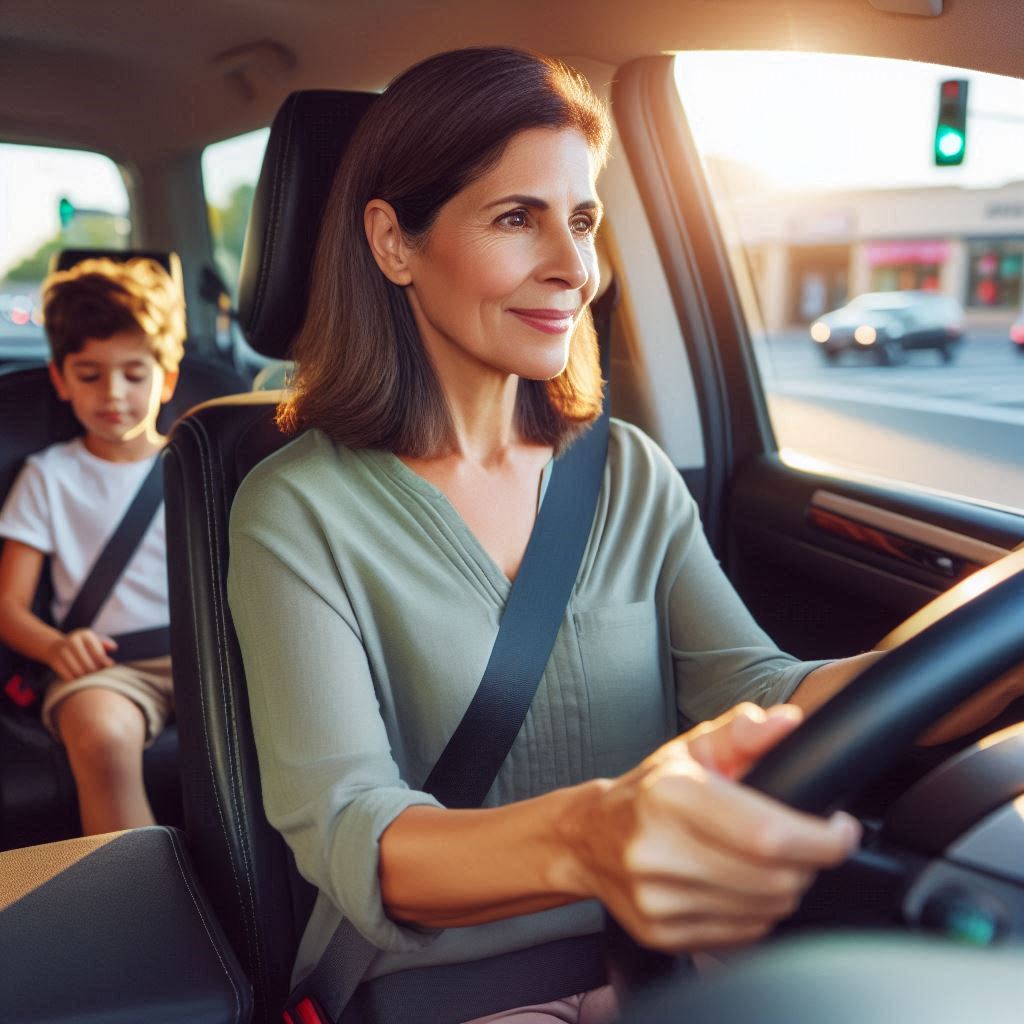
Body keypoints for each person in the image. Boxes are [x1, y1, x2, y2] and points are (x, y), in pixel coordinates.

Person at [226, 48, 1023, 1024]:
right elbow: (353, 825)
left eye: (583, 220)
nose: (576, 270)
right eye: (516, 218)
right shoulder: (294, 508)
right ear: (394, 243)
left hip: (673, 958)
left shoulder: (627, 471)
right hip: (453, 991)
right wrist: (590, 837)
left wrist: (983, 651)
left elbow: (760, 689)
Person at [0, 256, 184, 836]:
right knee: (101, 736)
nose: (113, 393)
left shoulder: (199, 464)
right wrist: (58, 648)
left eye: (134, 374)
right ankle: (136, 887)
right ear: (60, 379)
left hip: (206, 654)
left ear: (167, 378)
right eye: (89, 374)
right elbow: (8, 607)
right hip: (105, 669)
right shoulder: (48, 476)